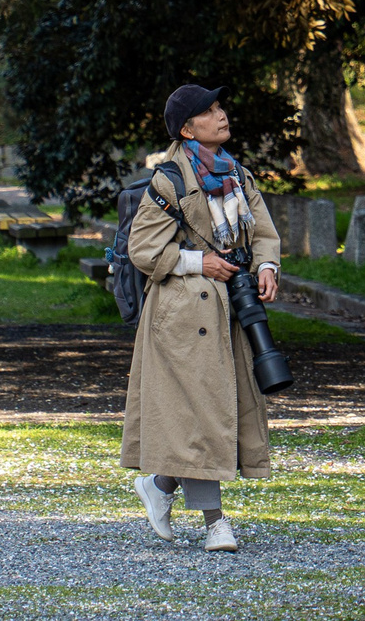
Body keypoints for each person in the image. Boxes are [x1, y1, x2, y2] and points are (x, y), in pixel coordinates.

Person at [122, 83, 283, 552]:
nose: (222, 115)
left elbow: (265, 232)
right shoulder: (169, 180)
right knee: (200, 412)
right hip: (179, 316)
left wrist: (267, 267)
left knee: (210, 413)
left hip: (229, 308)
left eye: (220, 107)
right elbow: (144, 249)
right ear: (187, 128)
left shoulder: (238, 174)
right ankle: (216, 524)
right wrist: (201, 263)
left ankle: (161, 484)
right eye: (209, 112)